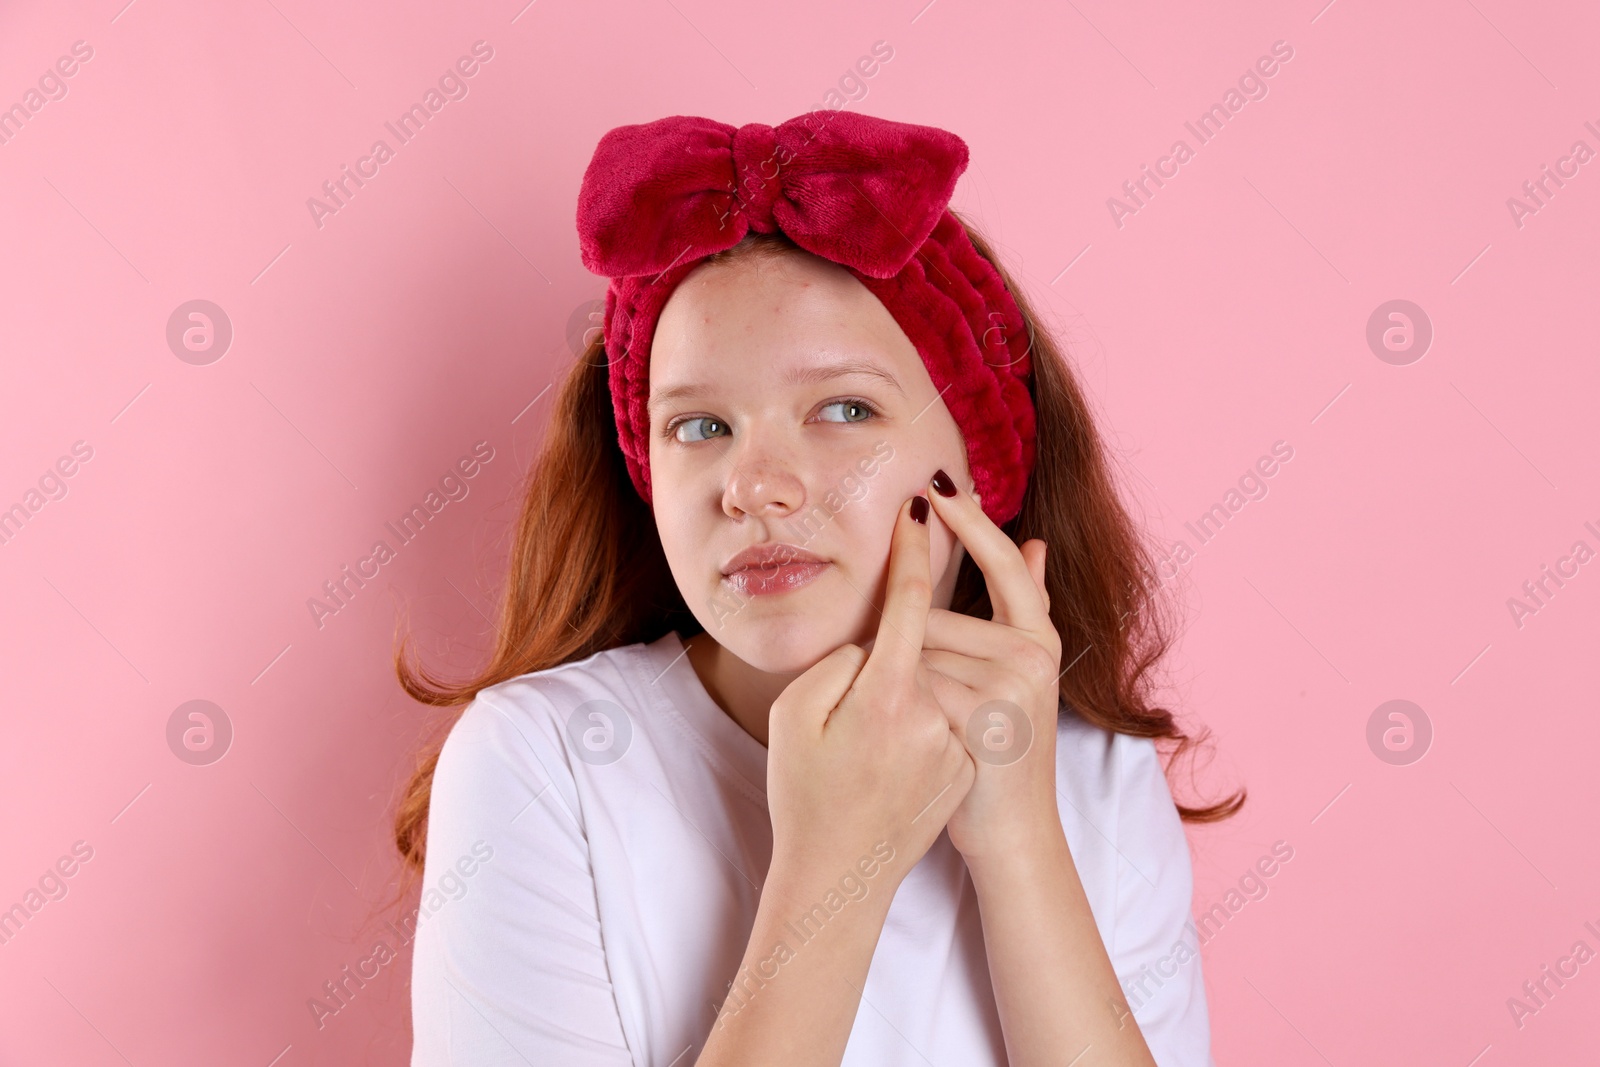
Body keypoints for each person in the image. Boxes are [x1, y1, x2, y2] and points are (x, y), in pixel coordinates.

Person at [393, 110, 1243, 1066]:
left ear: (984, 466)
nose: (755, 485)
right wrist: (836, 866)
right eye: (699, 427)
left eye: (846, 409)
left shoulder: (1090, 770)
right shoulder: (536, 762)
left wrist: (1019, 849)